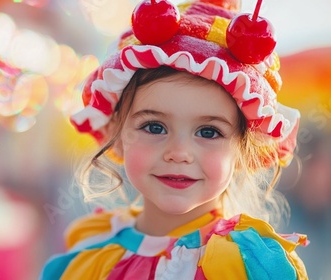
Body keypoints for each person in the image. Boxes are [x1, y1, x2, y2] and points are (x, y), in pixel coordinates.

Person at [40, 0, 308, 278]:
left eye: (208, 132)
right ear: (117, 134)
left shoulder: (253, 266)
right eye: (154, 127)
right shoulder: (89, 257)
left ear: (244, 150)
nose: (179, 152)